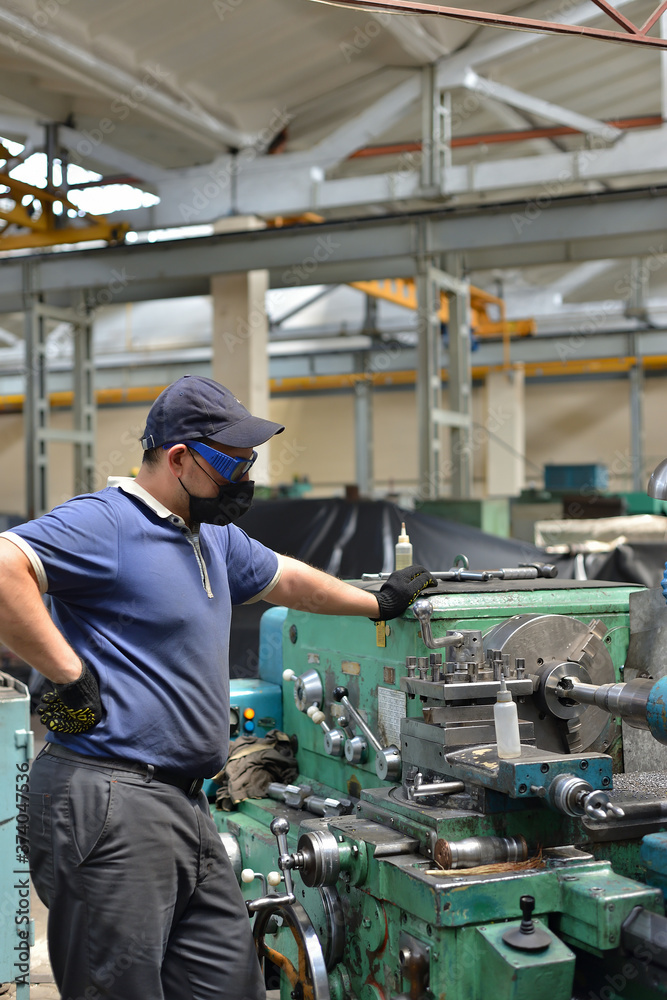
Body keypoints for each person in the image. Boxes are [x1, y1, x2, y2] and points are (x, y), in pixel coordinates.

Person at [0, 374, 436, 1000]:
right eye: (231, 464)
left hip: (186, 801)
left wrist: (376, 601)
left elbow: (287, 580)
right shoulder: (107, 524)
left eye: (249, 461)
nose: (244, 478)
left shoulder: (209, 538)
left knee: (227, 982)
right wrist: (70, 674)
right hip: (109, 797)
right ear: (178, 458)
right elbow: (5, 565)